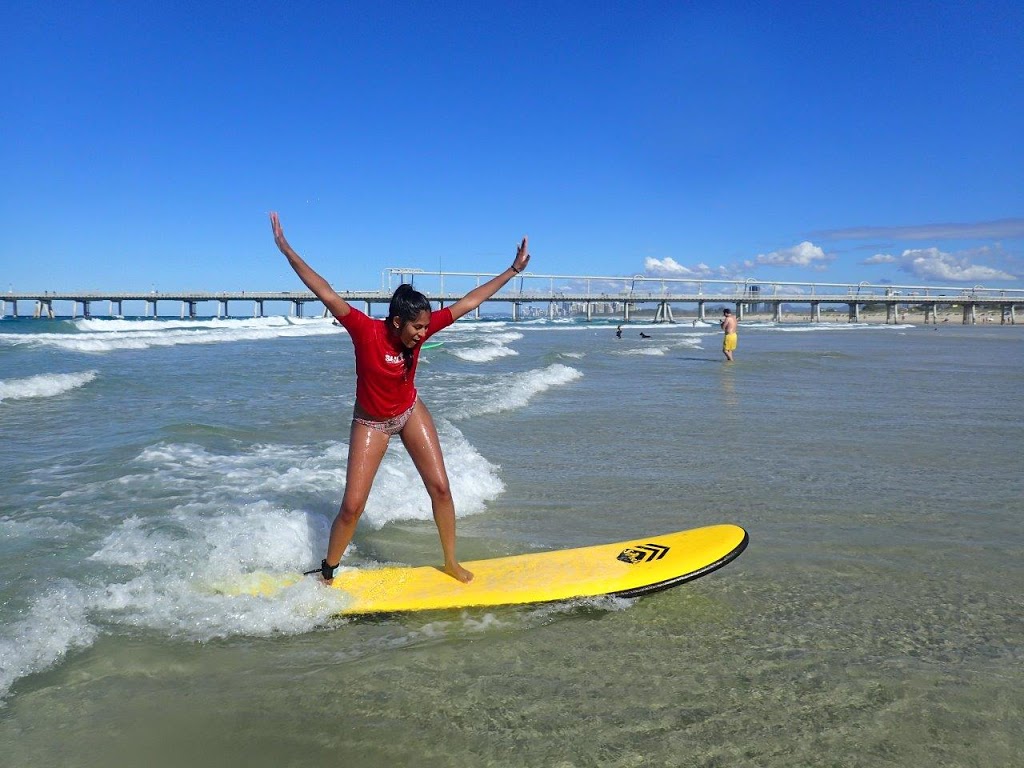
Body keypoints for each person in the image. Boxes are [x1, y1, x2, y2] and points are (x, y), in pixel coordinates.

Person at [270, 212, 530, 584]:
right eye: (417, 327)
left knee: (440, 487)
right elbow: (324, 289)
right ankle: (328, 571)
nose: (424, 333)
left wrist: (513, 270)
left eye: (427, 325)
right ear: (397, 322)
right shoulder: (365, 331)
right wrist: (286, 249)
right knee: (352, 506)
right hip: (371, 422)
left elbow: (470, 301)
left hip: (409, 412)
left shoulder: (421, 331)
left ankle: (451, 562)